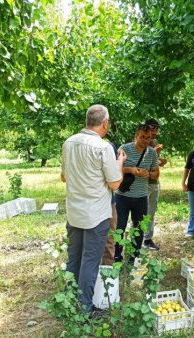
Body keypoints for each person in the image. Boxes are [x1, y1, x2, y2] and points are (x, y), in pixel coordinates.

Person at [61, 104, 126, 316]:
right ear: (105, 123)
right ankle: (85, 308)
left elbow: (64, 177)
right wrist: (120, 163)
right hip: (96, 215)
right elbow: (115, 183)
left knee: (74, 258)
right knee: (90, 261)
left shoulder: (69, 142)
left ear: (87, 121)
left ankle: (69, 299)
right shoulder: (103, 147)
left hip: (74, 211)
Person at [114, 124, 160, 262]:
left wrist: (149, 173)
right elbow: (115, 169)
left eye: (148, 138)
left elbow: (156, 173)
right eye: (142, 137)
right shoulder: (124, 148)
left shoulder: (151, 152)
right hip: (122, 196)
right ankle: (116, 256)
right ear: (136, 136)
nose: (145, 140)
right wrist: (131, 170)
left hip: (141, 197)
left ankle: (134, 257)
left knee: (139, 228)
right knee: (119, 227)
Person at [143, 118, 167, 251]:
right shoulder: (141, 141)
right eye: (153, 128)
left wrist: (159, 162)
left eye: (157, 128)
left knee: (151, 211)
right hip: (143, 183)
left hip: (154, 182)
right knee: (142, 212)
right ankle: (139, 239)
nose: (156, 131)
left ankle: (147, 239)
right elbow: (139, 163)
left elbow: (153, 163)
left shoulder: (155, 142)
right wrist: (155, 153)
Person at [101, 142, 119, 266]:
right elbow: (114, 183)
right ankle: (106, 271)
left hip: (82, 204)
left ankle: (105, 272)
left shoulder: (71, 144)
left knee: (108, 238)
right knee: (108, 238)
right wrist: (120, 163)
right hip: (105, 203)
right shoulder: (107, 147)